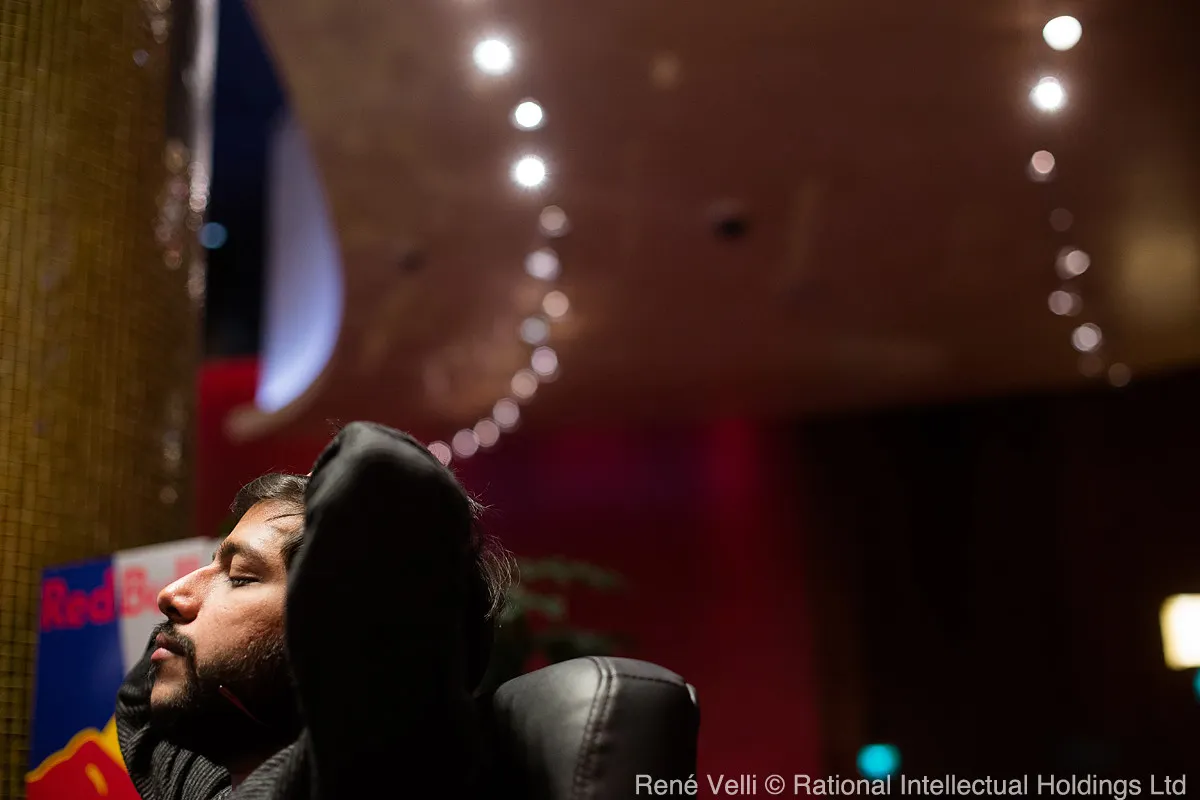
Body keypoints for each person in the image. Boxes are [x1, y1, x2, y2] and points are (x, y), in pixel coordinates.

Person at [115, 421, 516, 798]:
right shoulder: (208, 791)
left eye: (240, 577)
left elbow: (380, 463)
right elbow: (139, 705)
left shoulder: (362, 776)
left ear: (337, 632)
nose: (170, 594)